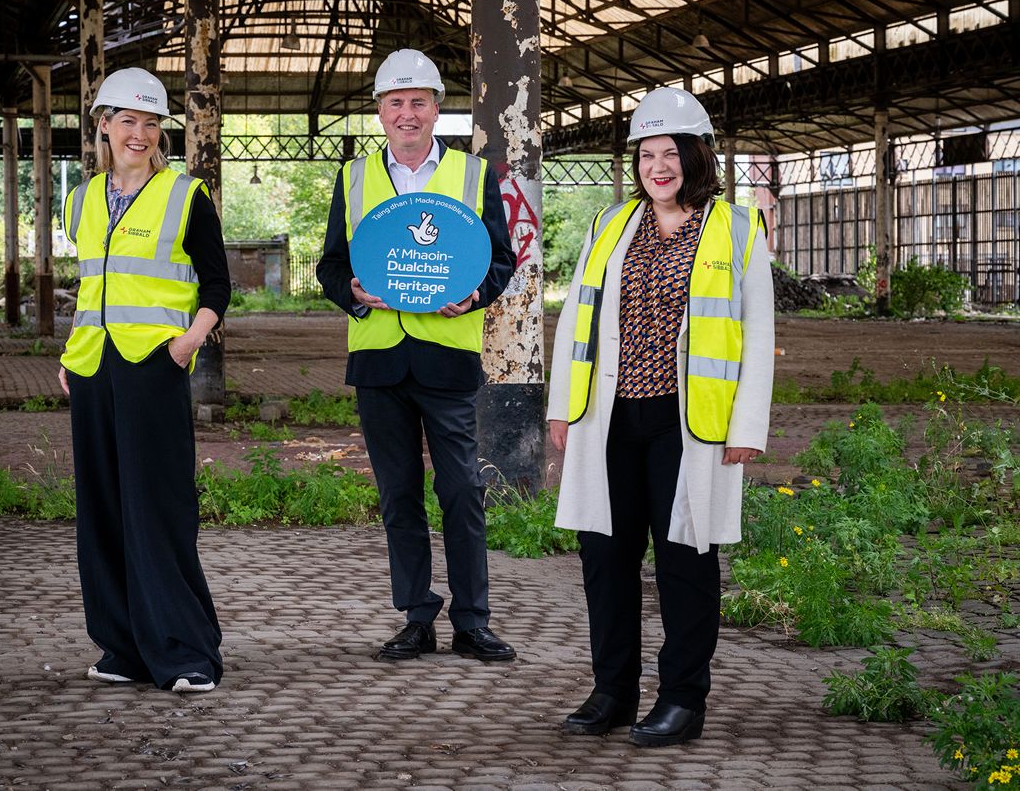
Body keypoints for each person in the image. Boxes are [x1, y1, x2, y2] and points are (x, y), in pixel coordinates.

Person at [546, 87, 774, 745]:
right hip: (609, 419)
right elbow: (577, 317)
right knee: (605, 560)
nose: (658, 166)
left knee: (684, 561)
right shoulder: (611, 224)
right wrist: (564, 405)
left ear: (698, 157)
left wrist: (746, 428)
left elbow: (758, 331)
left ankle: (682, 699)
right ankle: (612, 691)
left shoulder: (735, 227)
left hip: (689, 424)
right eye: (647, 154)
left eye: (671, 152)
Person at [316, 48, 518, 662]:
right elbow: (330, 265)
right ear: (380, 112)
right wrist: (348, 292)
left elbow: (501, 260)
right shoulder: (353, 178)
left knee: (461, 490)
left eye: (418, 103)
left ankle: (472, 622)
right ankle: (415, 617)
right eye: (395, 103)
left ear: (437, 109)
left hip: (447, 358)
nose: (407, 114)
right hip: (379, 360)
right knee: (398, 496)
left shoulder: (471, 174)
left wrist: (476, 295)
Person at [58, 67, 229, 694]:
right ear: (103, 125)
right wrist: (71, 351)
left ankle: (186, 652)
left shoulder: (186, 194)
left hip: (154, 366)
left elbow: (217, 285)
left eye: (151, 123)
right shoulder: (80, 199)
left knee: (157, 507)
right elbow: (92, 286)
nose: (140, 133)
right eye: (128, 120)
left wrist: (186, 344)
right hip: (92, 370)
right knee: (101, 509)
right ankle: (123, 646)